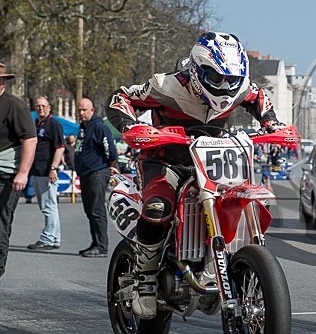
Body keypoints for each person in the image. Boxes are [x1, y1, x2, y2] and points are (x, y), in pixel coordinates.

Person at [107, 31, 287, 319]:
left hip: (213, 160)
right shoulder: (165, 85)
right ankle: (145, 280)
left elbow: (258, 97)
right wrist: (131, 126)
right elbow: (121, 98)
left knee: (244, 197)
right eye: (217, 78)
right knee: (157, 207)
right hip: (165, 160)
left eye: (232, 79)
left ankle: (233, 261)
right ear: (197, 70)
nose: (225, 86)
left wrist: (272, 123)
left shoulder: (241, 88)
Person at [0, 62, 37, 283]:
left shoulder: (14, 105)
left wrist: (22, 173)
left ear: (3, 81)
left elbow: (30, 140)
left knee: (1, 223)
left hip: (6, 174)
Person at [75, 98, 118, 258]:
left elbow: (110, 150)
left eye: (84, 110)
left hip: (97, 172)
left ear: (92, 110)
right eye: (79, 110)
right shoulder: (83, 127)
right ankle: (95, 242)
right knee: (89, 211)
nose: (81, 113)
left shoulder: (99, 126)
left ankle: (101, 245)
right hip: (86, 173)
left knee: (96, 210)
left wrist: (110, 165)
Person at [27, 96, 65, 250]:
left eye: (43, 106)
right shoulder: (37, 123)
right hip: (37, 171)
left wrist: (53, 168)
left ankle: (48, 238)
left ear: (49, 107)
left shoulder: (54, 124)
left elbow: (60, 147)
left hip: (46, 171)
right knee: (49, 206)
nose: (40, 108)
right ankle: (54, 238)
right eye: (38, 106)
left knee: (48, 206)